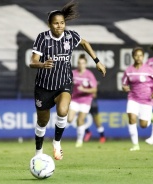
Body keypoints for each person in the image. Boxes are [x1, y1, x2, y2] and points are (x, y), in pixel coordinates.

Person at [29, 1, 106, 160]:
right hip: (44, 87)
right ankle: (38, 153)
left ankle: (57, 143)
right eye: (56, 23)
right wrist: (42, 64)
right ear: (49, 24)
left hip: (63, 83)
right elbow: (32, 61)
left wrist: (97, 61)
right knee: (42, 122)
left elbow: (84, 43)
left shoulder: (71, 36)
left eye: (62, 23)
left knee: (63, 111)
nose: (59, 26)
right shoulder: (42, 38)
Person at [122, 46, 153, 151]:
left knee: (143, 125)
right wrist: (124, 88)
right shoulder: (128, 70)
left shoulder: (148, 69)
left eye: (141, 55)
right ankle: (135, 145)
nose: (138, 57)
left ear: (143, 57)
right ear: (133, 57)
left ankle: (150, 117)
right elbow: (124, 84)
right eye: (136, 55)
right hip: (133, 98)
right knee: (131, 118)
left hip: (146, 99)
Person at [67, 54, 98, 147]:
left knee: (80, 119)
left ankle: (79, 141)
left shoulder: (89, 75)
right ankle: (84, 131)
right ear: (77, 64)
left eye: (83, 63)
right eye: (79, 63)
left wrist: (84, 90)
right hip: (75, 99)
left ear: (86, 64)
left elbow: (94, 89)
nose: (81, 65)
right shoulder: (73, 73)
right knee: (69, 119)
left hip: (86, 100)